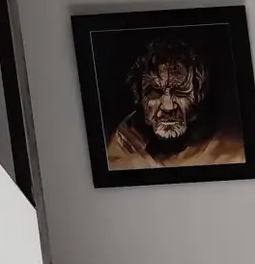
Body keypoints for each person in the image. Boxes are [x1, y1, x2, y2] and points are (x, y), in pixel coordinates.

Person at [105, 37, 247, 169]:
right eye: (155, 92)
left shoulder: (233, 154)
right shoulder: (117, 155)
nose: (168, 106)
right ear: (140, 97)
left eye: (180, 91)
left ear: (198, 95)